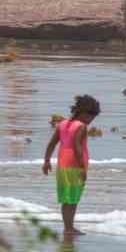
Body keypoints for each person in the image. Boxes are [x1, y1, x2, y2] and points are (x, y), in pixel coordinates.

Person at [41, 94, 99, 238]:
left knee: (66, 198)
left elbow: (51, 144)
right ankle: (69, 228)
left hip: (62, 166)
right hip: (74, 167)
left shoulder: (62, 124)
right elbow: (78, 149)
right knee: (73, 199)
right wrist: (82, 169)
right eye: (90, 116)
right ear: (82, 113)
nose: (91, 120)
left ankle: (68, 227)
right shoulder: (81, 127)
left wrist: (47, 161)